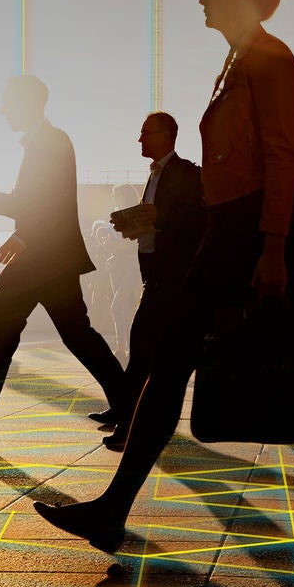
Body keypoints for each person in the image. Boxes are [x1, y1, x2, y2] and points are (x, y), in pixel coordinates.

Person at [34, 0, 294, 564]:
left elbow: (284, 160)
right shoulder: (237, 61)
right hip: (229, 231)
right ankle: (114, 510)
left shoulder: (270, 59)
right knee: (176, 356)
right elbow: (227, 170)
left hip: (261, 232)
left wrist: (272, 249)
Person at [0, 77, 128, 451]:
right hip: (52, 259)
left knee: (1, 340)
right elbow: (33, 203)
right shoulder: (48, 141)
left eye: (8, 103)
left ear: (27, 103)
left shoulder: (49, 143)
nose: (3, 110)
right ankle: (130, 408)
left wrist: (18, 229)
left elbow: (42, 204)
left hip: (41, 259)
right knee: (78, 336)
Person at [103, 112, 205, 450]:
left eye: (145, 133)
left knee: (144, 350)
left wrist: (160, 217)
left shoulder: (187, 173)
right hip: (157, 275)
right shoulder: (155, 176)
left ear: (166, 135)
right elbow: (158, 222)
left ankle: (128, 427)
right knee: (157, 360)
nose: (140, 139)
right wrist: (135, 226)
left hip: (172, 279)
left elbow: (197, 217)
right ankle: (131, 423)